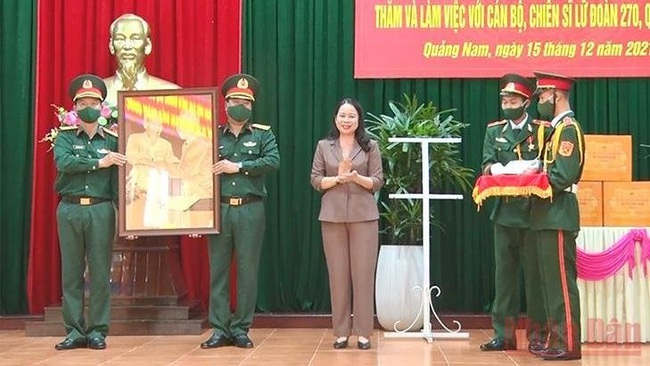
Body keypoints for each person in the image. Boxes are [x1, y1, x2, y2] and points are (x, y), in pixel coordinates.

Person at [201, 73, 280, 349]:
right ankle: (220, 329)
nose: (240, 106)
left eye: (245, 102)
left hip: (250, 210)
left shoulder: (262, 133)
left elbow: (273, 161)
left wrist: (239, 167)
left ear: (251, 106)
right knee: (218, 272)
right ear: (225, 104)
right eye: (235, 100)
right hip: (219, 211)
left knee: (247, 272)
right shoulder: (212, 134)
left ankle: (242, 328)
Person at [53, 74, 127, 350]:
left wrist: (126, 218)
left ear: (101, 106)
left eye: (94, 102)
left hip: (101, 210)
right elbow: (64, 162)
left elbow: (118, 181)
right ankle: (74, 330)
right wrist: (99, 162)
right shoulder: (65, 136)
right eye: (83, 102)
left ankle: (97, 330)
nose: (88, 106)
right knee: (71, 273)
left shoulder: (112, 139)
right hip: (70, 209)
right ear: (74, 107)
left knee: (99, 273)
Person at [479, 74, 549, 354]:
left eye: (513, 100)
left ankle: (537, 335)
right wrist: (503, 169)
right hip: (504, 212)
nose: (508, 105)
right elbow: (486, 165)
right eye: (505, 101)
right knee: (504, 279)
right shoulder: (493, 131)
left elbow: (547, 164)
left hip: (533, 213)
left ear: (526, 102)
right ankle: (503, 335)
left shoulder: (541, 129)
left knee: (534, 278)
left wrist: (531, 167)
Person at [310, 98, 384, 350]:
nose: (346, 120)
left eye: (351, 116)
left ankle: (364, 332)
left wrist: (356, 178)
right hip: (332, 217)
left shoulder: (370, 146)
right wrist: (338, 179)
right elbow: (316, 180)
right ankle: (341, 332)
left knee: (363, 276)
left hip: (364, 217)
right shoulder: (323, 145)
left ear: (358, 120)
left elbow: (377, 181)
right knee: (338, 276)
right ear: (335, 118)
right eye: (342, 115)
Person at [529, 71, 584, 361]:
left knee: (562, 284)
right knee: (550, 284)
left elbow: (561, 176)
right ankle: (557, 338)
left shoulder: (568, 130)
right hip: (546, 214)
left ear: (557, 95)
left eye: (542, 95)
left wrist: (529, 181)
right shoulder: (555, 129)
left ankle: (569, 343)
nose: (539, 100)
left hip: (559, 212)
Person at [103, 13, 179, 106]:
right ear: (111, 46)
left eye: (135, 38)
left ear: (147, 45)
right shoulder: (96, 95)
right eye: (120, 39)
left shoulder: (172, 94)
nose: (127, 46)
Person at [124, 117, 179, 230]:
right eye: (155, 124)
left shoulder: (166, 144)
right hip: (139, 183)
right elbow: (131, 156)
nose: (158, 128)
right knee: (137, 215)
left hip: (159, 184)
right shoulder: (135, 138)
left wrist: (177, 163)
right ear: (146, 124)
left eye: (161, 125)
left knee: (158, 218)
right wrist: (153, 162)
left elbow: (171, 160)